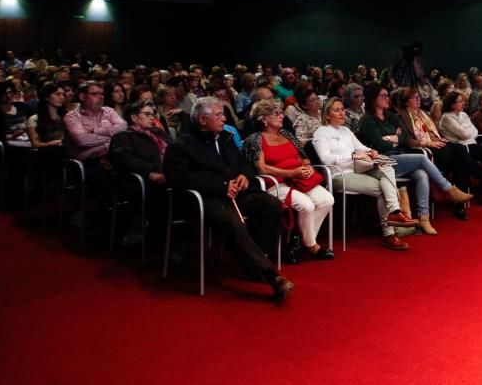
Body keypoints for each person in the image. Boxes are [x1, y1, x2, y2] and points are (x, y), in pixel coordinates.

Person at [163, 97, 293, 302]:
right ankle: (271, 276)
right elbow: (180, 178)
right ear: (202, 119)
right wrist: (222, 186)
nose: (224, 118)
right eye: (218, 115)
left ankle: (256, 264)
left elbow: (245, 164)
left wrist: (245, 176)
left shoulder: (224, 138)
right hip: (205, 199)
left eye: (223, 114)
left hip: (236, 194)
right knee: (232, 221)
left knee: (272, 205)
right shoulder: (181, 145)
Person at [357, 84, 473, 225]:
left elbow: (405, 137)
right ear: (373, 99)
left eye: (387, 95)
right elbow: (379, 145)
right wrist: (394, 138)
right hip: (383, 162)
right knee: (421, 158)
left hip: (400, 155)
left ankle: (423, 217)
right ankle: (448, 189)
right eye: (383, 96)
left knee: (421, 174)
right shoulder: (367, 120)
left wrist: (391, 138)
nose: (387, 98)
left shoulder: (392, 117)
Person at [312, 97, 416, 249]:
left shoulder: (346, 130)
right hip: (338, 175)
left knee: (387, 167)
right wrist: (353, 156)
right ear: (327, 115)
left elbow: (360, 147)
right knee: (384, 188)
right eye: (337, 110)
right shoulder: (321, 132)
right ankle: (389, 233)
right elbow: (326, 159)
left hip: (357, 168)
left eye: (342, 109)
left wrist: (370, 151)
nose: (342, 113)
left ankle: (395, 211)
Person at [242, 98, 334, 261]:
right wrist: (291, 173)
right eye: (276, 113)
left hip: (300, 179)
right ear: (263, 119)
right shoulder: (255, 139)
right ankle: (312, 245)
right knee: (307, 205)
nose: (281, 116)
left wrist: (308, 168)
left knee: (327, 199)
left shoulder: (287, 134)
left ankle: (299, 240)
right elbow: (261, 168)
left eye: (281, 112)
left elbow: (304, 158)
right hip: (276, 183)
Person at [106, 101, 171, 247]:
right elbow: (123, 159)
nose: (152, 118)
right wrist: (150, 173)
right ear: (134, 117)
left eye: (153, 114)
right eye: (147, 114)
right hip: (146, 181)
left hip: (170, 175)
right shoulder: (124, 136)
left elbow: (176, 151)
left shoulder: (159, 132)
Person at [438, 91, 482, 206]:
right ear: (452, 104)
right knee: (461, 166)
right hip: (459, 148)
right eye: (459, 101)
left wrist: (466, 131)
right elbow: (465, 134)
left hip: (472, 145)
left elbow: (475, 132)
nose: (463, 103)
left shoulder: (464, 115)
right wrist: (466, 131)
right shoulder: (447, 117)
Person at [63, 81, 128, 192]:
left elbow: (123, 127)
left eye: (102, 94)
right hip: (88, 161)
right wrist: (113, 138)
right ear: (83, 97)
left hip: (114, 154)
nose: (101, 97)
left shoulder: (109, 111)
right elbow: (82, 140)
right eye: (95, 94)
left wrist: (95, 131)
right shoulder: (72, 117)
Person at [26, 82, 66, 149]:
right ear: (46, 97)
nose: (62, 97)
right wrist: (48, 144)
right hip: (46, 153)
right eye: (58, 94)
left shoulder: (66, 116)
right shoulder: (34, 119)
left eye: (63, 95)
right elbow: (35, 144)